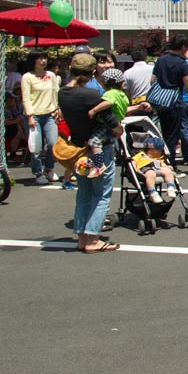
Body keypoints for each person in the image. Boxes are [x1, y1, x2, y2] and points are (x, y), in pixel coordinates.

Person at [58, 53, 121, 253]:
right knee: (101, 194)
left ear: (71, 69)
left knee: (84, 193)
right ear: (92, 72)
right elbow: (112, 123)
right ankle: (93, 239)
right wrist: (119, 128)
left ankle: (81, 237)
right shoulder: (92, 95)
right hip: (98, 150)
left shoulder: (62, 93)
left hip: (77, 149)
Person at [150, 34, 188, 175]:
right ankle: (170, 165)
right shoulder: (182, 63)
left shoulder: (161, 60)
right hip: (175, 102)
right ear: (183, 47)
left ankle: (164, 161)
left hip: (161, 102)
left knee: (164, 132)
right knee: (173, 136)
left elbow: (152, 80)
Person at [21, 51, 60, 185]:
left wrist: (57, 108)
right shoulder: (27, 77)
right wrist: (30, 116)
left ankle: (48, 169)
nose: (43, 61)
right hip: (34, 115)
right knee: (36, 147)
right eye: (40, 58)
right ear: (34, 60)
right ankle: (37, 172)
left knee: (52, 143)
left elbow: (56, 93)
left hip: (50, 114)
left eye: (45, 58)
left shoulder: (51, 75)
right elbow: (25, 98)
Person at [84, 68, 131, 177]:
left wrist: (94, 110)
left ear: (104, 83)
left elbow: (108, 103)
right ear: (122, 83)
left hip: (106, 125)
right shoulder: (122, 95)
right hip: (116, 124)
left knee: (94, 142)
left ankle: (99, 166)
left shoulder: (110, 94)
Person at [132, 135, 176, 204]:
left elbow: (163, 164)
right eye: (151, 152)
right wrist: (134, 168)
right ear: (147, 150)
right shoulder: (142, 155)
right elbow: (133, 161)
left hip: (158, 168)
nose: (154, 154)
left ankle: (170, 188)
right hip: (145, 169)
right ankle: (152, 193)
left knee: (168, 171)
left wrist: (168, 167)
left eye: (157, 153)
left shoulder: (159, 158)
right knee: (151, 174)